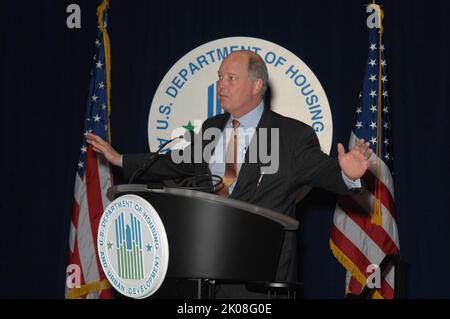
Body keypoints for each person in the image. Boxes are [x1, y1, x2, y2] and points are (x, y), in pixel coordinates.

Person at [87, 50, 374, 298]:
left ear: (256, 85)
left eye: (231, 78)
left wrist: (346, 173)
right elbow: (177, 163)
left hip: (259, 279)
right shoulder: (212, 127)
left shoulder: (291, 135)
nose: (221, 85)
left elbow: (323, 171)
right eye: (219, 77)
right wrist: (120, 159)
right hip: (200, 273)